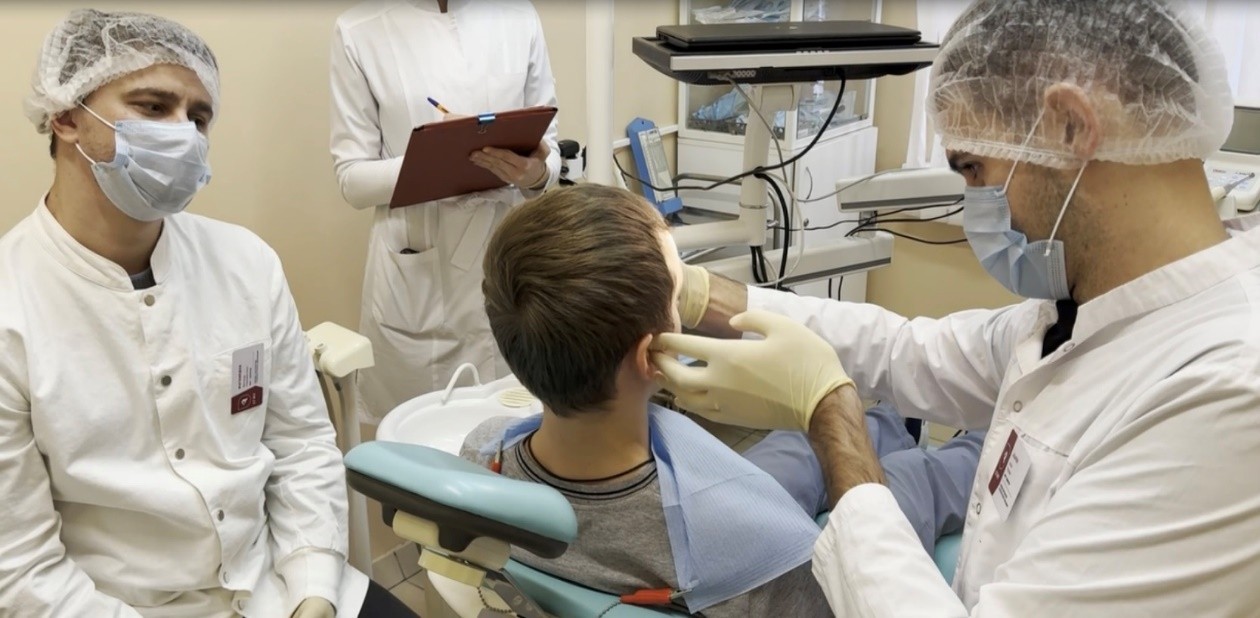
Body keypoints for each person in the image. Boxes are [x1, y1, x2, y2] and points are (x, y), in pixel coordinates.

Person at [655, 0, 1260, 616]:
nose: (975, 204)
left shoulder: (1225, 394)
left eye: (974, 167)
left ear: (1071, 126)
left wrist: (833, 415)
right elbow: (910, 352)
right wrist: (701, 293)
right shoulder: (1088, 307)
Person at [0, 10, 416, 618]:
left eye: (198, 118)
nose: (184, 135)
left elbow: (301, 445)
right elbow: (23, 567)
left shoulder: (246, 261)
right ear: (66, 115)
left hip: (278, 580)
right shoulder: (11, 307)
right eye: (153, 107)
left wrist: (313, 591)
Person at [458, 185, 984, 616]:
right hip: (727, 540)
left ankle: (886, 422)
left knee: (796, 448)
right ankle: (984, 446)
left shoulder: (484, 456)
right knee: (916, 482)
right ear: (650, 355)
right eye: (677, 286)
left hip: (689, 517)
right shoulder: (766, 547)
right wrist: (833, 405)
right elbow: (842, 590)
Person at [329, 0, 561, 423]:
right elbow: (352, 179)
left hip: (509, 261)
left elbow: (549, 144)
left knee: (516, 434)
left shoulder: (519, 16)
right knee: (421, 441)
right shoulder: (359, 29)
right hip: (418, 272)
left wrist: (536, 174)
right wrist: (437, 156)